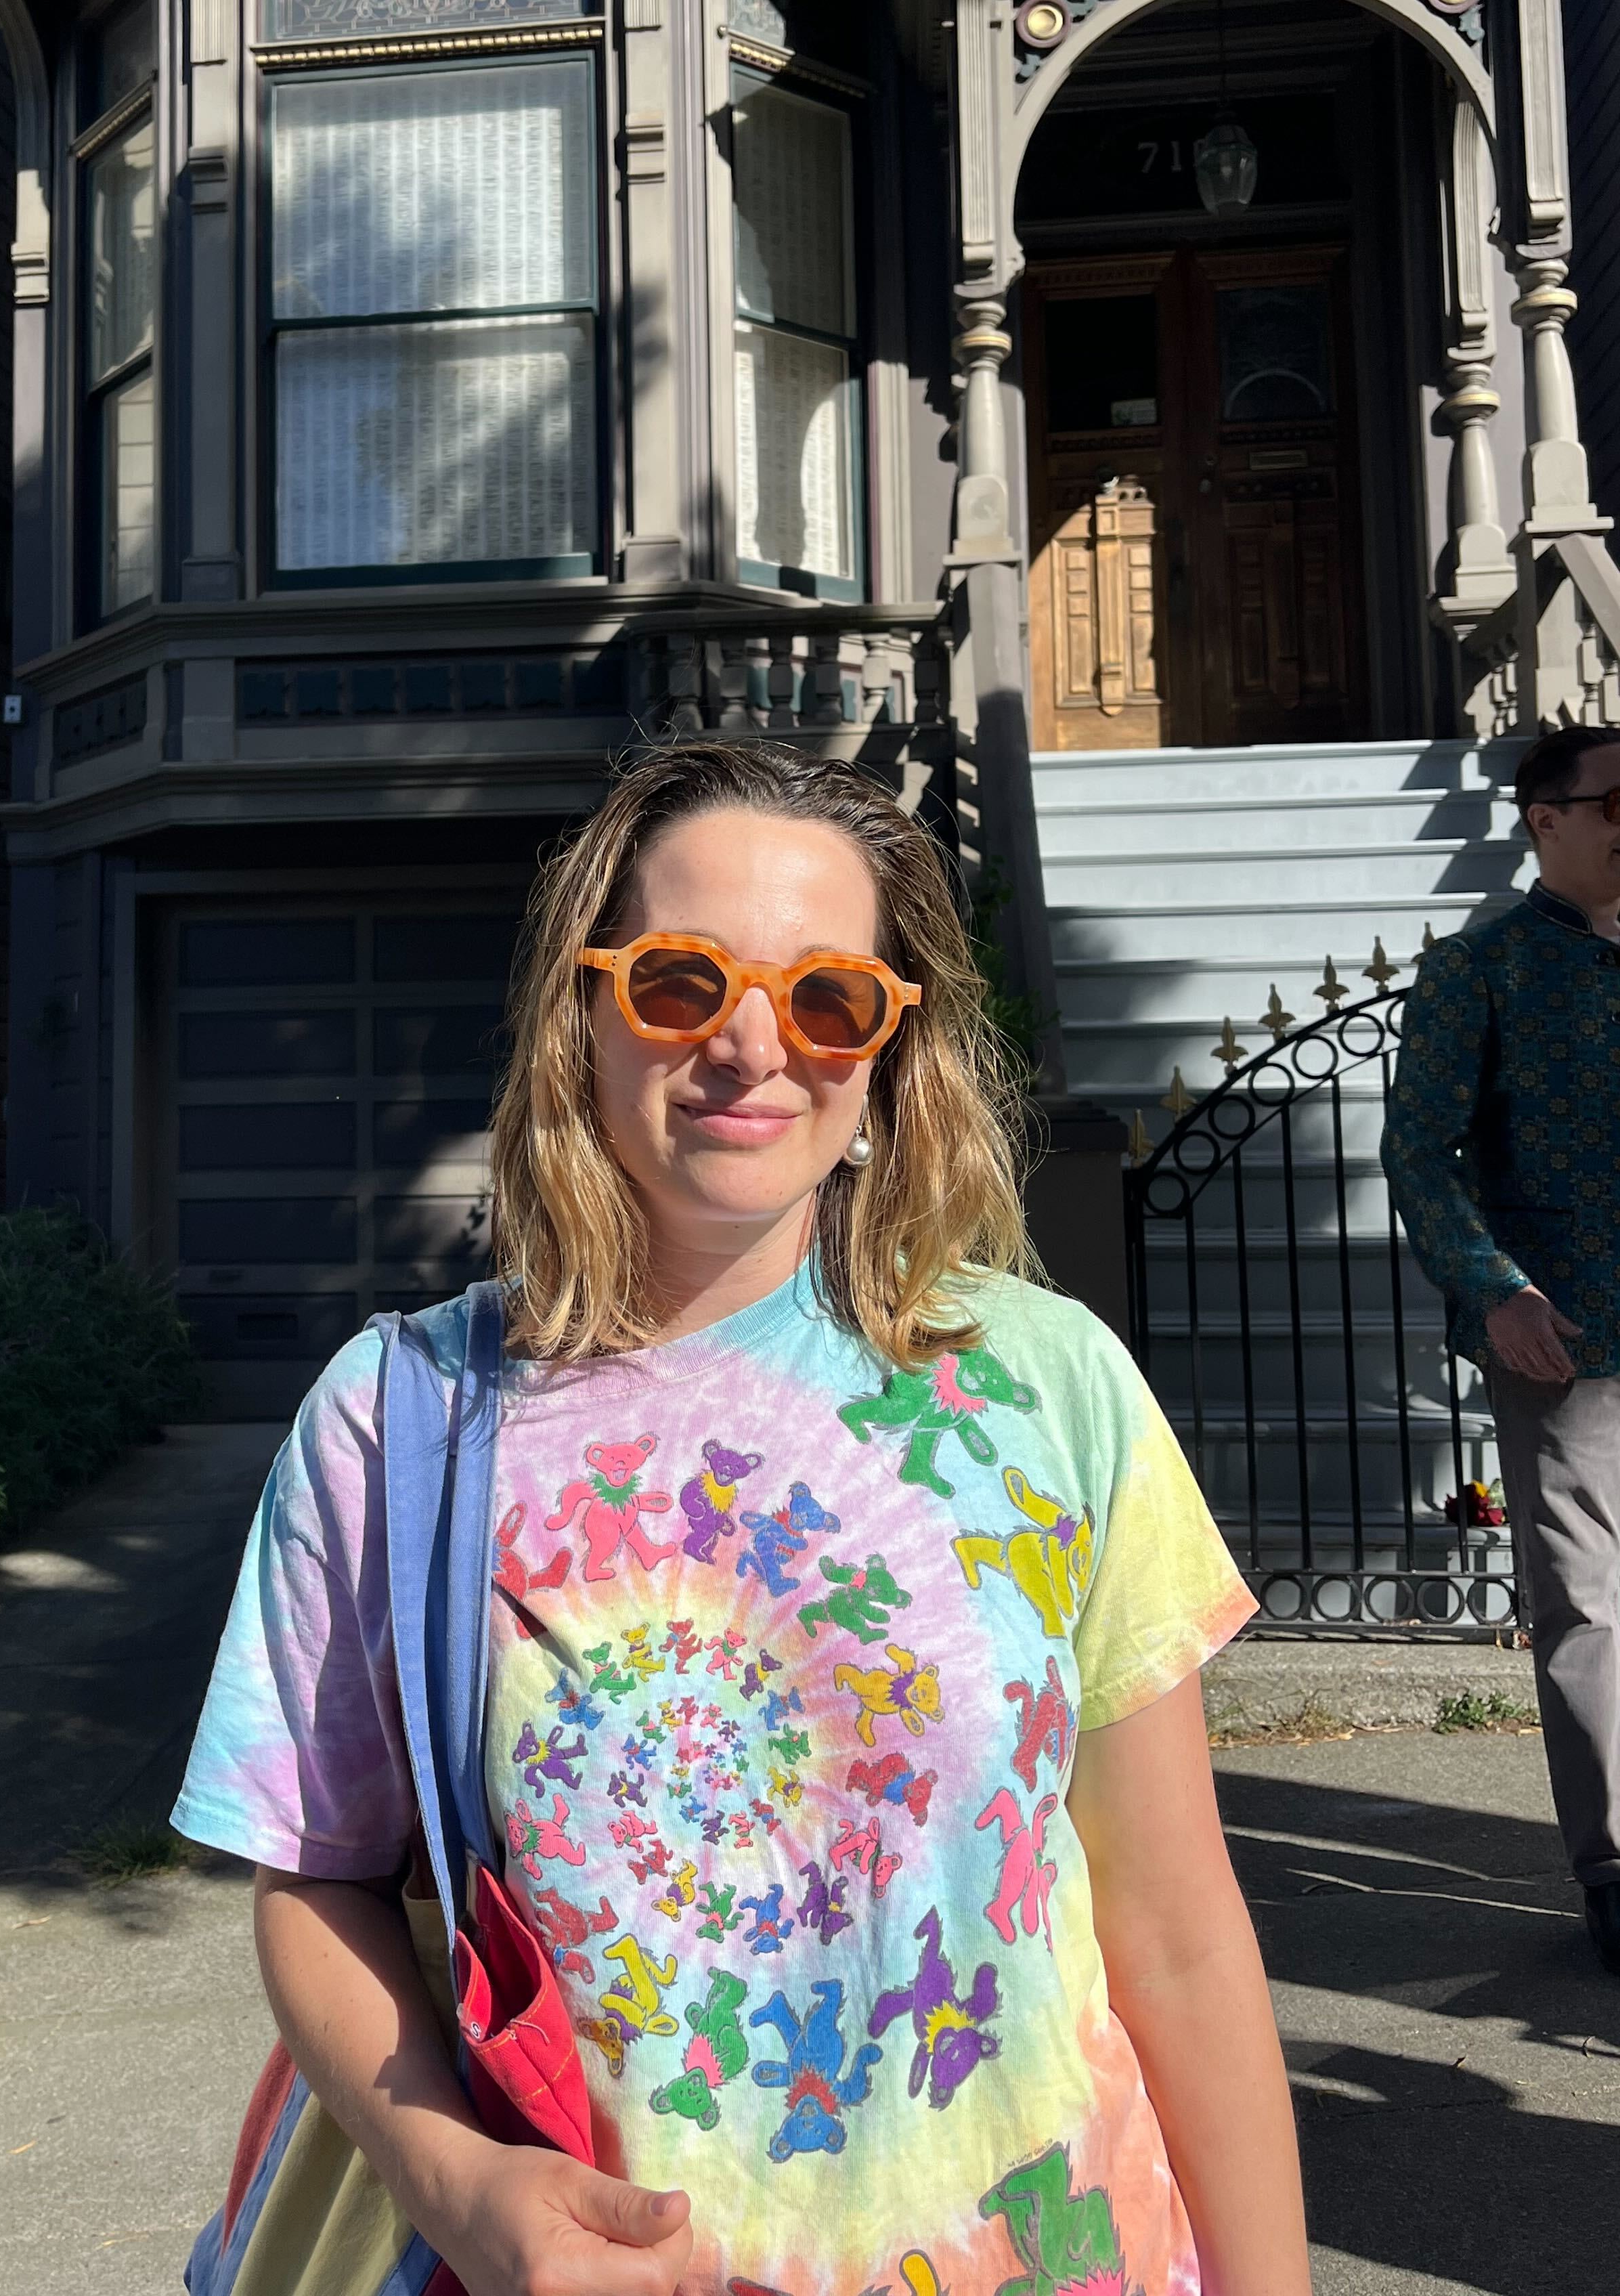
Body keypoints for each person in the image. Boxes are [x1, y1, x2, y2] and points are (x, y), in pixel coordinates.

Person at [174, 739, 1310, 2296]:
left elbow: (1175, 1926)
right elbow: (316, 1873)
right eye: (683, 982)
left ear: (892, 1046)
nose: (751, 1048)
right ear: (588, 1007)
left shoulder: (1053, 1387)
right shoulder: (399, 1421)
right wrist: (460, 2187)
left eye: (829, 999)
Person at [1384, 722, 1620, 1974]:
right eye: (1617, 801)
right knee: (1590, 1606)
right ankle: (1616, 1867)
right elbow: (1421, 1156)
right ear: (1548, 821)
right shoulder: (1477, 971)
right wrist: (1500, 1293)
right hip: (1573, 1340)